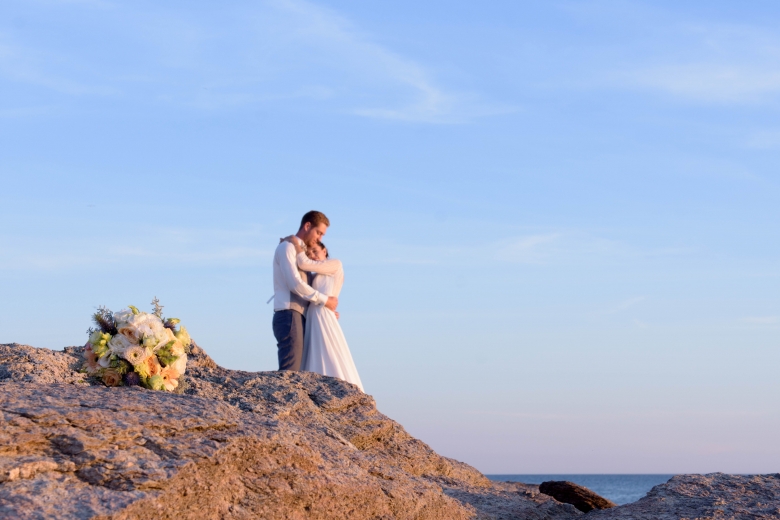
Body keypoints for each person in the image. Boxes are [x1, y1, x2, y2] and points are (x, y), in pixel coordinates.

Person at [286, 237, 364, 391]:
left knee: (330, 351)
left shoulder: (335, 264)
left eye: (315, 251)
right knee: (314, 352)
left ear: (324, 251)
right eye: (310, 254)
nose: (313, 256)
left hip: (323, 315)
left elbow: (303, 263)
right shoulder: (314, 277)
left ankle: (339, 390)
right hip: (313, 316)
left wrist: (296, 244)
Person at [272, 211, 338, 371]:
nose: (320, 239)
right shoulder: (287, 247)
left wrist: (326, 312)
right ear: (307, 226)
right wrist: (325, 300)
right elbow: (295, 284)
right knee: (290, 372)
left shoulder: (302, 253)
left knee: (300, 371)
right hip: (289, 315)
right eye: (319, 233)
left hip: (299, 316)